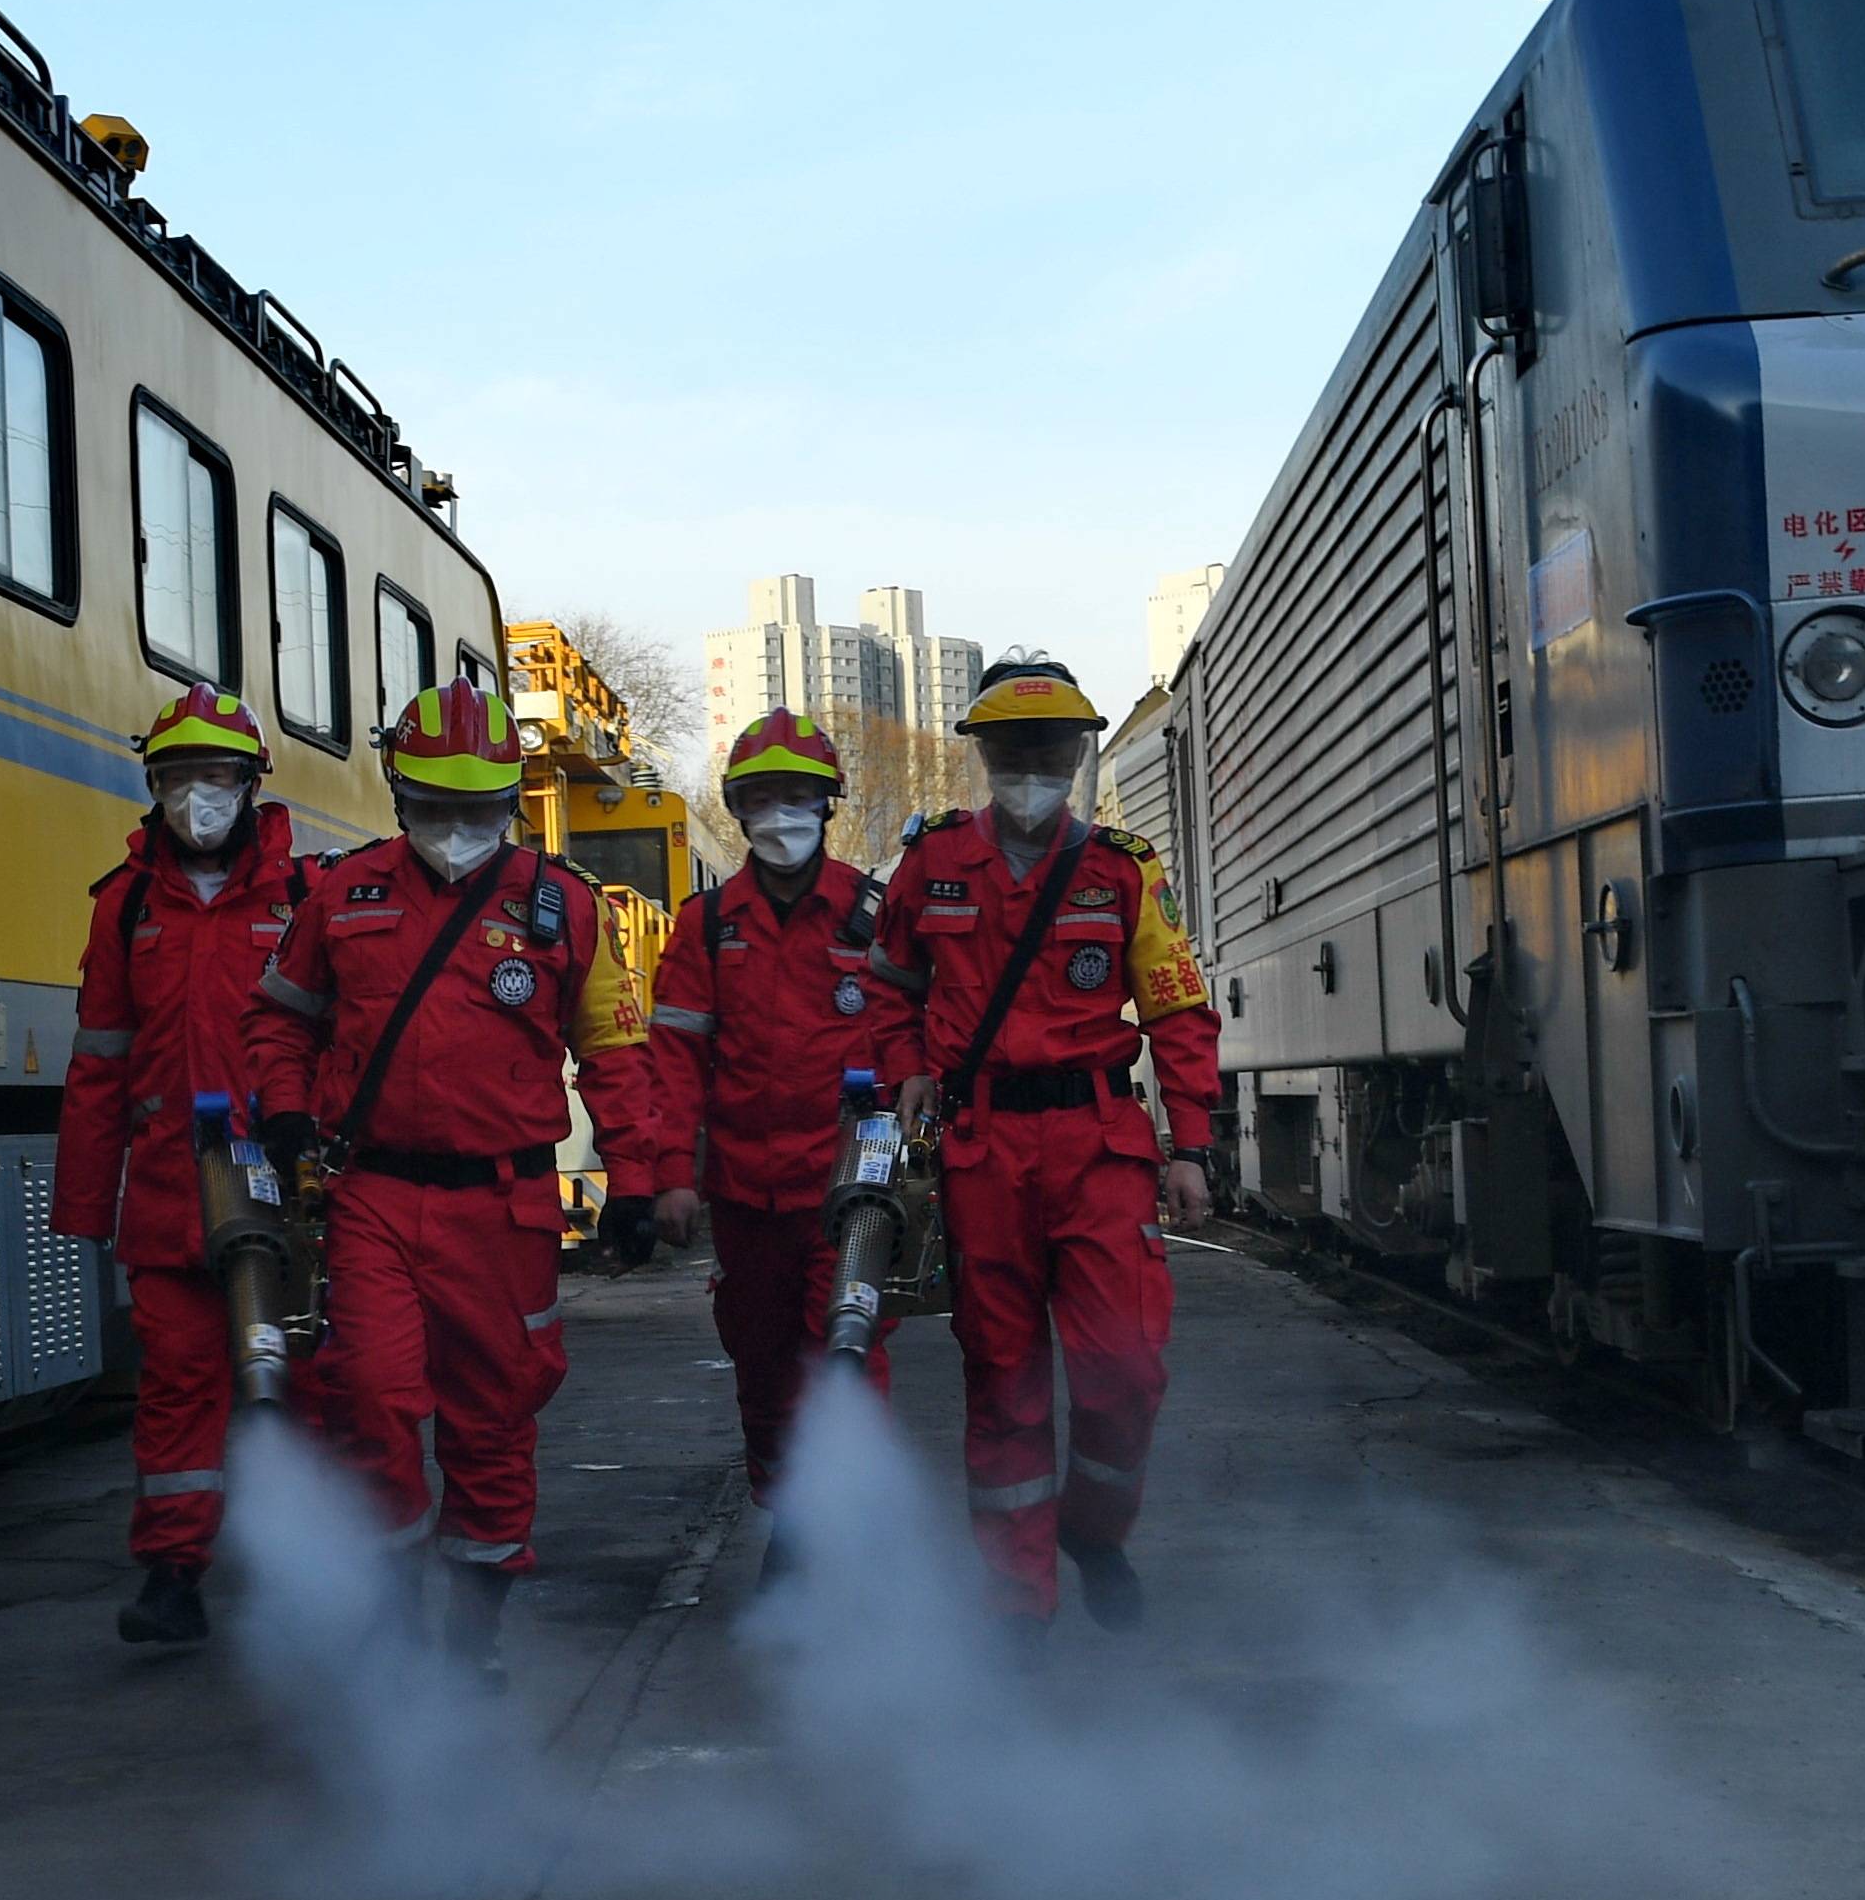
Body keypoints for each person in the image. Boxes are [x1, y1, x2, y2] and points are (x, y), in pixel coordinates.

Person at [246, 676, 659, 1684]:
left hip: (504, 1208)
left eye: (479, 808)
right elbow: (279, 1020)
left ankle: (473, 1630)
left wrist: (641, 1178)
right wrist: (286, 1103)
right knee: (372, 1397)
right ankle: (390, 1612)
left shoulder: (563, 906)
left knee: (494, 1413)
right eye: (439, 807)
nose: (459, 827)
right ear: (401, 795)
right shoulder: (342, 895)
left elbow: (614, 1049)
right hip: (374, 1194)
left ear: (508, 798)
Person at [866, 656, 1220, 1636]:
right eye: (1014, 746)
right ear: (984, 753)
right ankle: (1017, 1602)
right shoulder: (931, 863)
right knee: (1005, 1382)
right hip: (982, 1154)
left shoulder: (1122, 865)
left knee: (1129, 1365)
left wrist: (1191, 1143)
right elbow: (887, 989)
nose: (1032, 762)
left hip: (1097, 1149)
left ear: (1075, 753)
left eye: (1050, 745)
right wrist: (907, 1073)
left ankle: (1095, 1529)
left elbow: (1180, 1008)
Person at [52, 685, 312, 1648]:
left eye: (216, 777)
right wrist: (83, 1205)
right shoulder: (124, 908)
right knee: (180, 1383)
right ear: (153, 786)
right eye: (179, 778)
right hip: (168, 1191)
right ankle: (173, 1571)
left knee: (310, 1381)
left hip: (286, 1183)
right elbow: (99, 1063)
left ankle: (316, 1563)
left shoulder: (304, 895)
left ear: (250, 786)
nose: (198, 796)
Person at [639, 710, 900, 1564]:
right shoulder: (707, 924)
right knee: (760, 1370)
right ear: (740, 810)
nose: (782, 812)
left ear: (827, 805)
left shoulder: (872, 914)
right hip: (746, 1196)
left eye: (798, 795)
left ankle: (844, 1527)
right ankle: (788, 1507)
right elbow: (674, 1060)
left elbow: (910, 1040)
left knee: (848, 1355)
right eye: (764, 797)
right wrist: (671, 1173)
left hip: (849, 1191)